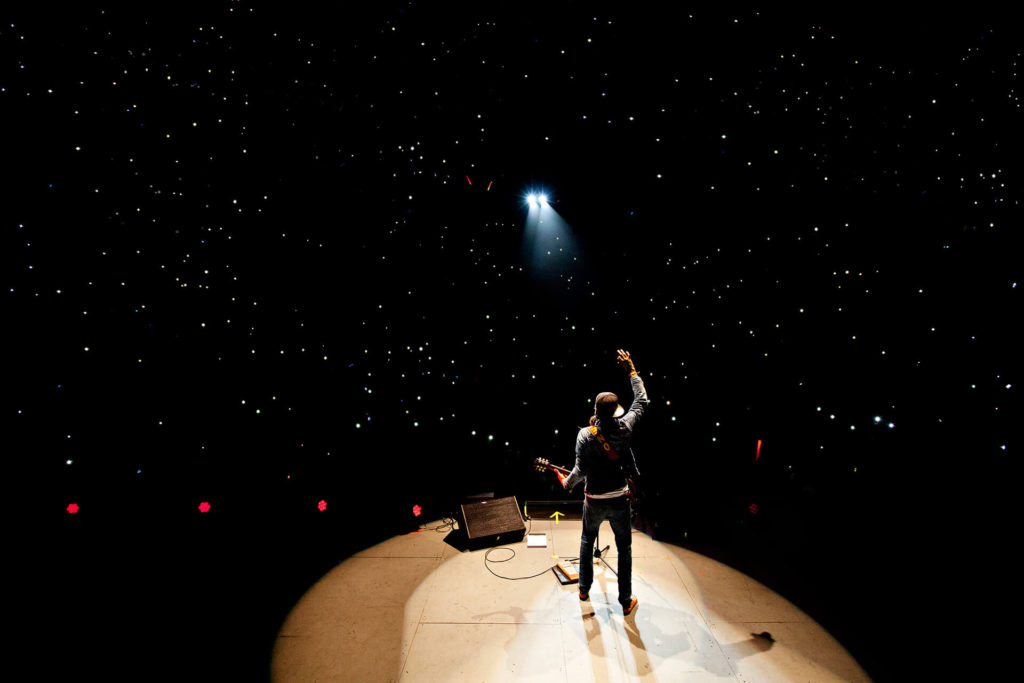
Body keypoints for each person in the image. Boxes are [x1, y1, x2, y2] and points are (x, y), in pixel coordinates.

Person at [557, 349, 649, 616]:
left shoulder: (585, 435)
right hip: (620, 499)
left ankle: (584, 588)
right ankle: (625, 600)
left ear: (595, 410)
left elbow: (580, 471)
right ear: (616, 410)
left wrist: (566, 483)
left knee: (587, 541)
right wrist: (631, 370)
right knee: (625, 549)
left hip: (594, 500)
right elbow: (641, 401)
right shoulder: (626, 427)